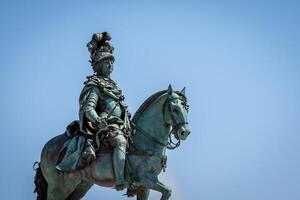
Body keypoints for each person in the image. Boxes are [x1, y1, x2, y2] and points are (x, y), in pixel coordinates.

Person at [78, 32, 133, 190]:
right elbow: (88, 107)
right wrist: (97, 120)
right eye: (107, 62)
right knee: (120, 141)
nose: (110, 65)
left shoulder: (114, 86)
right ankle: (120, 180)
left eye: (111, 62)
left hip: (122, 125)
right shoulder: (95, 85)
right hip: (105, 126)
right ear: (99, 65)